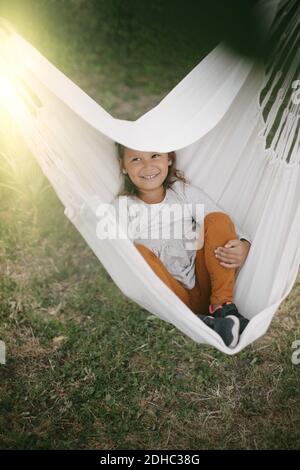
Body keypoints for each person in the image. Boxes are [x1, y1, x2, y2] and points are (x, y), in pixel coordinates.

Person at [112, 143, 252, 348]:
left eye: (155, 155)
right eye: (136, 159)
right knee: (137, 254)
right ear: (123, 166)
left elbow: (220, 219)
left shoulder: (181, 191)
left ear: (169, 158)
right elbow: (118, 256)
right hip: (173, 296)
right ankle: (201, 322)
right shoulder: (122, 207)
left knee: (217, 219)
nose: (147, 165)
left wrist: (243, 244)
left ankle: (222, 308)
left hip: (206, 282)